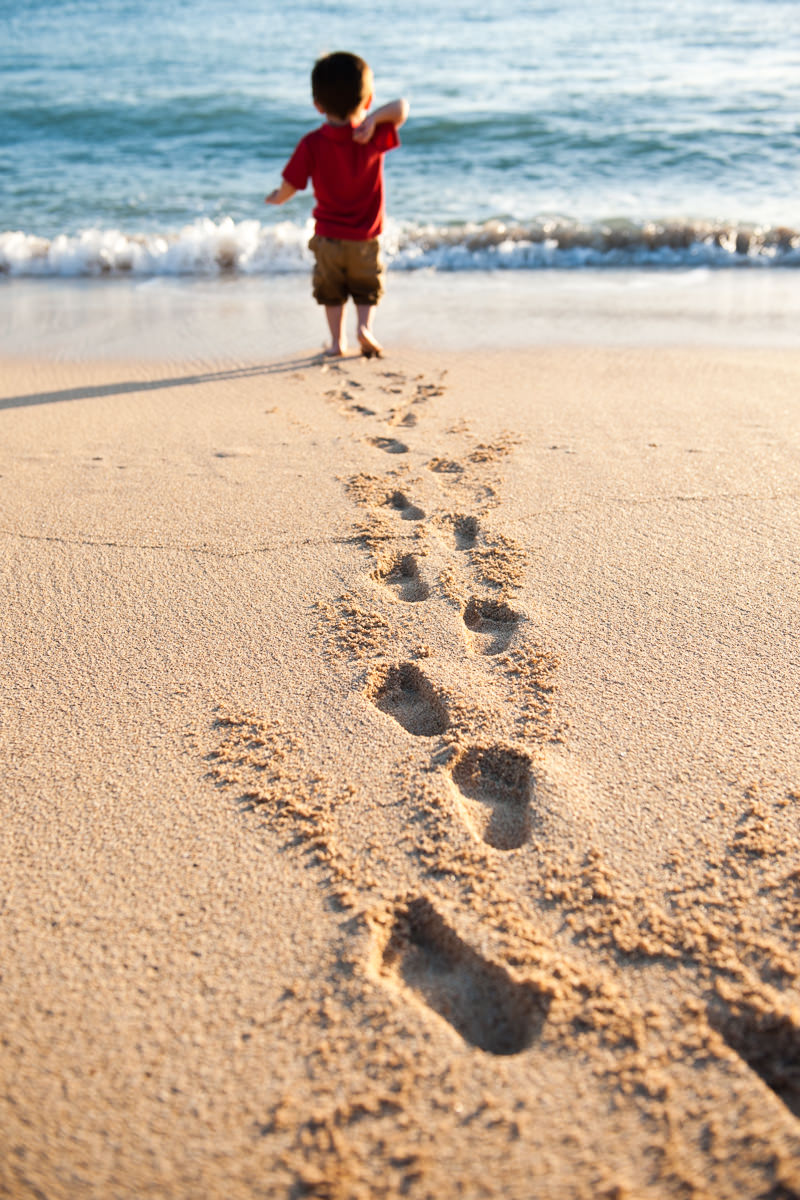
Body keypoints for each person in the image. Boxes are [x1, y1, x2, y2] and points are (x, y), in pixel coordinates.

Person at [266, 51, 408, 358]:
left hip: (328, 237)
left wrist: (277, 198)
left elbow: (291, 185)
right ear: (368, 100)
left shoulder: (312, 143)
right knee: (367, 288)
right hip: (365, 237)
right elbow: (401, 108)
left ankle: (336, 342)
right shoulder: (371, 134)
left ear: (317, 105)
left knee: (331, 293)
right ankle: (364, 329)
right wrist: (373, 119)